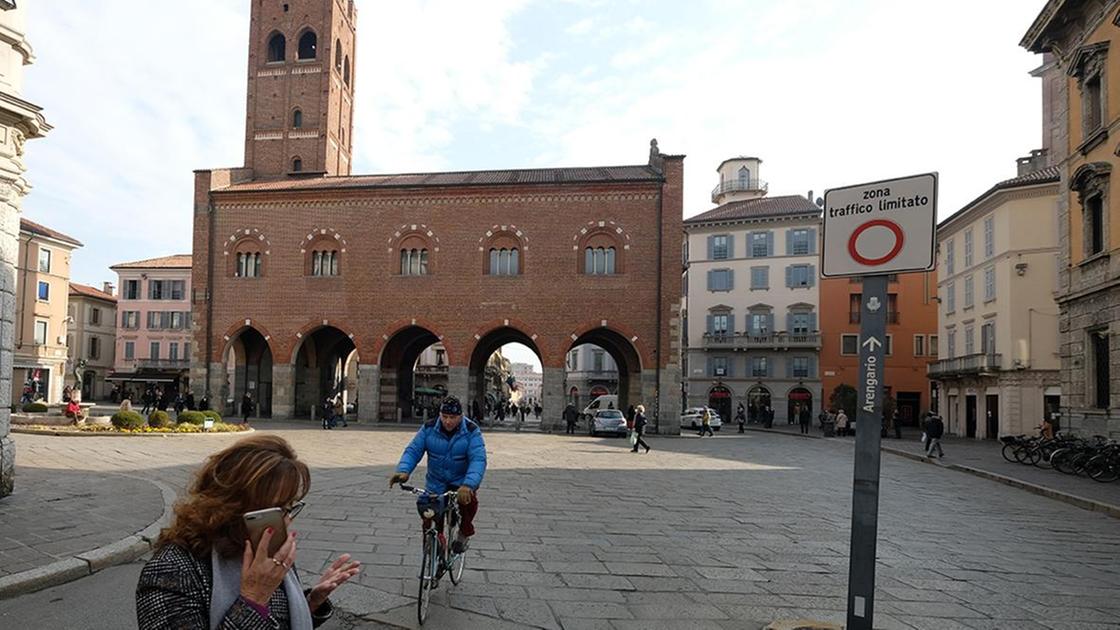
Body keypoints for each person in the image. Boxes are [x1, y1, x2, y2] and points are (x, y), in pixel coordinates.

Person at [135, 435, 360, 629]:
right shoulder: (172, 570)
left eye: (290, 507)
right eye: (277, 508)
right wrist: (254, 598)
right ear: (232, 504)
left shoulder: (258, 551)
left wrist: (309, 603)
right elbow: (257, 612)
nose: (287, 520)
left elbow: (272, 620)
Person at [390, 396, 486, 554]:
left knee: (469, 504)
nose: (448, 421)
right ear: (440, 415)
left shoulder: (471, 431)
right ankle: (431, 543)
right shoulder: (429, 428)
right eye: (445, 417)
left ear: (461, 417)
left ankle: (463, 533)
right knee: (429, 514)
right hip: (436, 481)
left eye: (453, 418)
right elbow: (413, 450)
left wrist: (469, 484)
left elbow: (478, 459)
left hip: (460, 482)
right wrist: (403, 470)